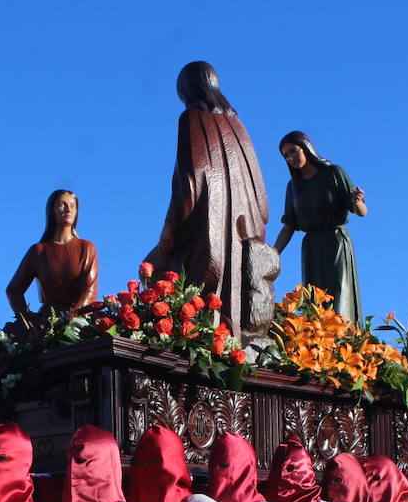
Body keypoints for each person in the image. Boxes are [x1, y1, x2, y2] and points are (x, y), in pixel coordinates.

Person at [146, 61, 269, 335]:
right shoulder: (237, 124)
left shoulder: (190, 118)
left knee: (158, 274)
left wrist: (171, 224)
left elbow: (190, 179)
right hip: (239, 233)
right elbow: (259, 192)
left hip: (206, 228)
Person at [272, 131, 367, 324]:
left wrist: (357, 201)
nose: (290, 158)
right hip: (312, 248)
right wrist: (273, 254)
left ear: (306, 148)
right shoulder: (293, 187)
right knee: (314, 302)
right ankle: (318, 345)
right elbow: (289, 225)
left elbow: (361, 211)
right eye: (286, 156)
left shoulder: (334, 173)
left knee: (339, 296)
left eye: (293, 151)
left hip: (336, 243)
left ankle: (344, 338)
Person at [5, 189, 100, 334]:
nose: (68, 209)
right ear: (52, 211)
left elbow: (90, 290)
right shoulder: (38, 251)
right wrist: (28, 322)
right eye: (62, 205)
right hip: (47, 324)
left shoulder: (86, 248)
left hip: (78, 327)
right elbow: (14, 290)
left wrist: (72, 317)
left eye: (73, 206)